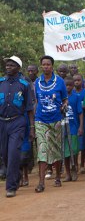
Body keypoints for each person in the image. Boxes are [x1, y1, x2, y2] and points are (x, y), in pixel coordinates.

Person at [0, 56, 34, 197]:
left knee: (13, 153)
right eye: (7, 65)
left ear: (18, 68)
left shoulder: (24, 85)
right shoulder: (0, 82)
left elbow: (30, 108)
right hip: (2, 122)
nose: (8, 67)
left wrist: (31, 127)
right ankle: (17, 174)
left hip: (18, 122)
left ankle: (11, 187)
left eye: (12, 65)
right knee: (5, 154)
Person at [34, 55, 68, 192]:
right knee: (42, 149)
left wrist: (64, 106)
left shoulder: (59, 82)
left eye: (48, 64)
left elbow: (65, 99)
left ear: (52, 66)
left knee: (55, 149)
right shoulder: (37, 82)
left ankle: (58, 176)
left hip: (56, 120)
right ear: (41, 66)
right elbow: (36, 101)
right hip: (40, 120)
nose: (46, 66)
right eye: (44, 64)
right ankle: (41, 183)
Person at [63, 76, 83, 182]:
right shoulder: (60, 98)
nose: (68, 87)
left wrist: (80, 126)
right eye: (66, 85)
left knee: (74, 151)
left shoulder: (76, 97)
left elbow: (80, 113)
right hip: (63, 128)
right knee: (65, 152)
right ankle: (67, 173)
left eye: (70, 85)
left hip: (73, 127)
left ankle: (74, 169)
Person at [73, 73, 85, 174]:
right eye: (75, 80)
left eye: (79, 80)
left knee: (83, 142)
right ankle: (74, 164)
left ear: (82, 81)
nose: (76, 82)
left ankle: (82, 165)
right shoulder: (71, 93)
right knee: (74, 142)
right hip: (74, 119)